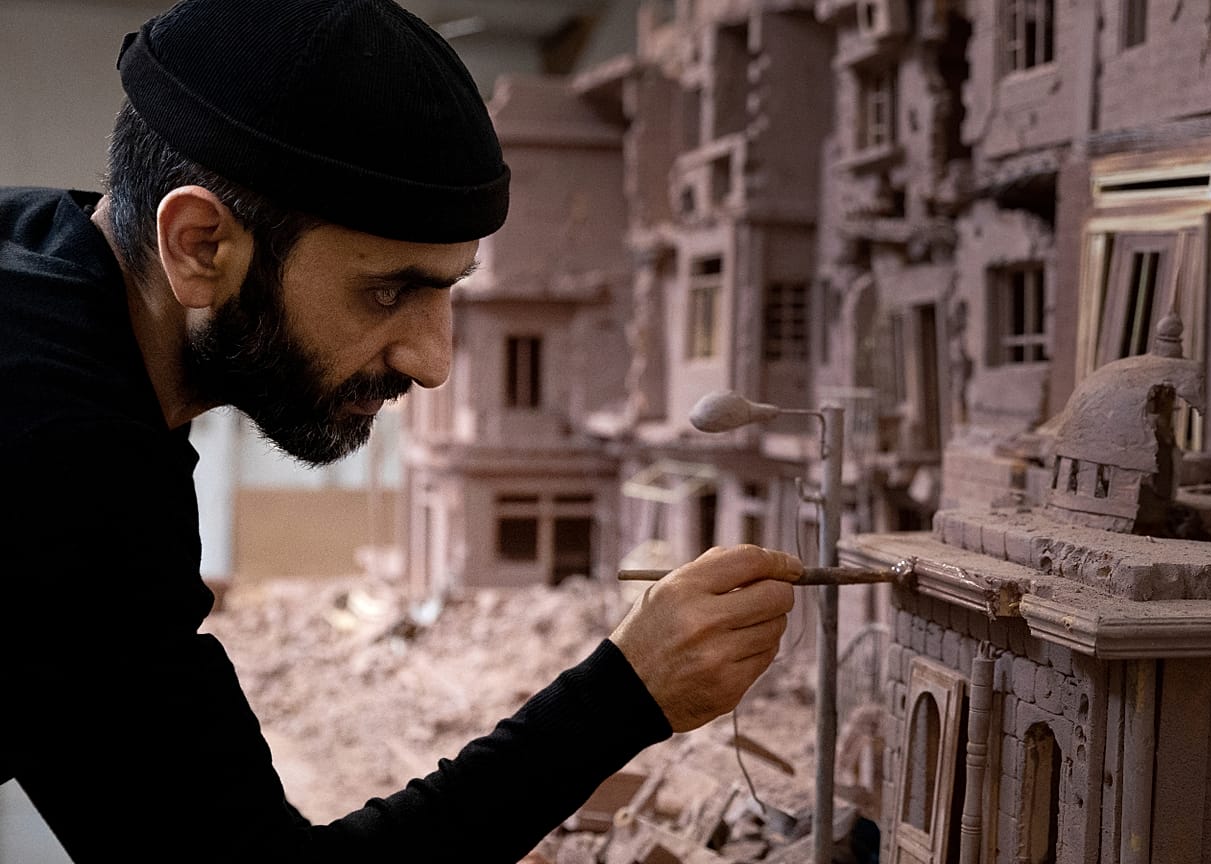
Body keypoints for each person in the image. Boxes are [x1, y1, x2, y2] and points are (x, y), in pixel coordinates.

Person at [0, 0, 799, 860]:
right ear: (198, 245)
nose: (434, 361)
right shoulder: (58, 458)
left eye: (450, 290)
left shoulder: (39, 257)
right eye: (389, 290)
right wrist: (626, 695)